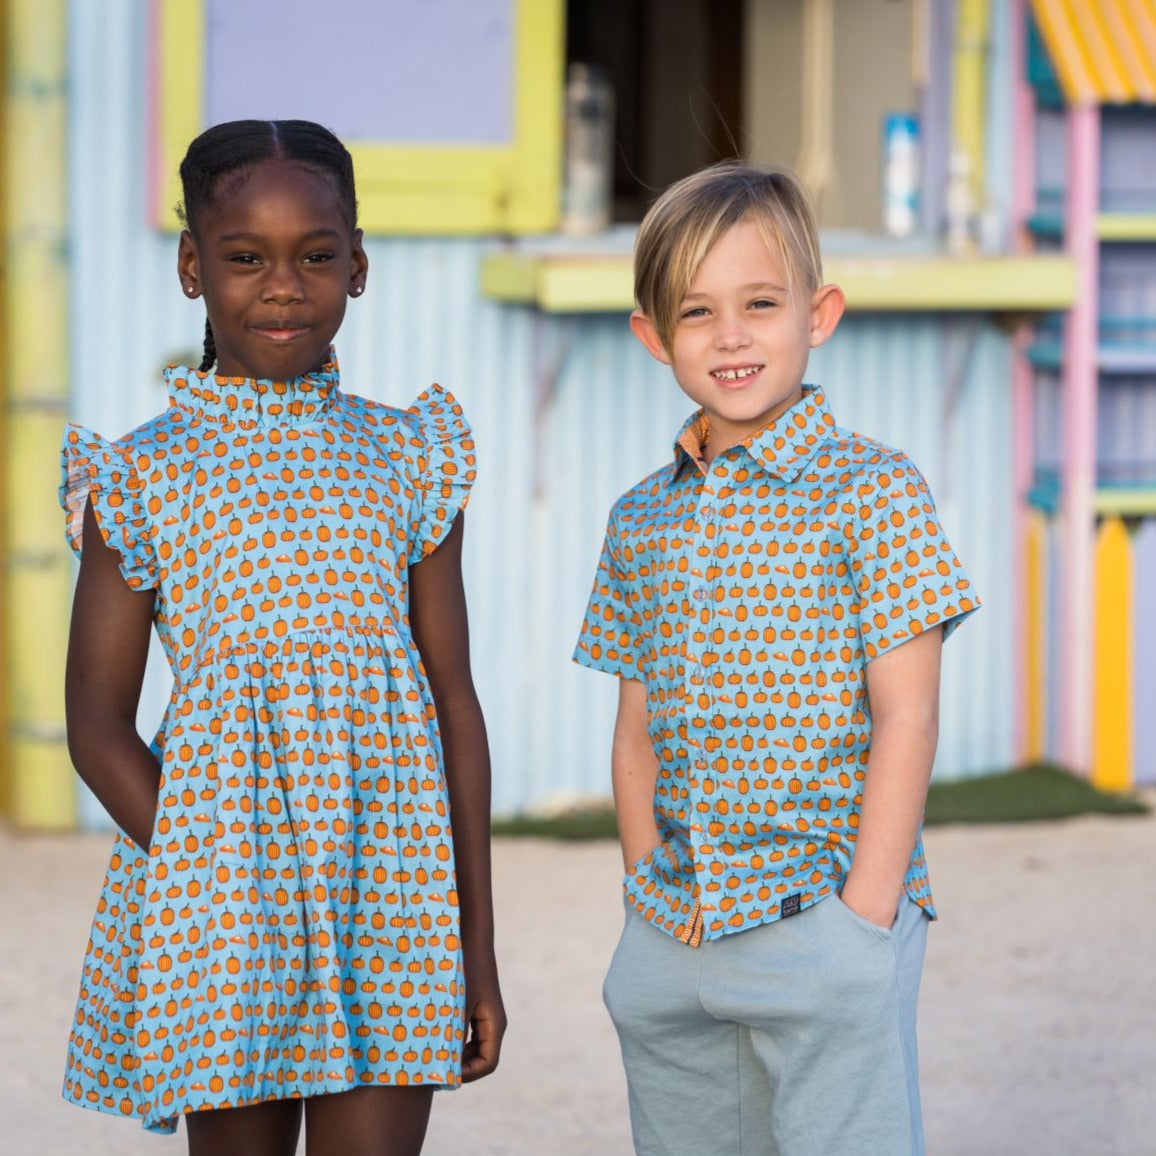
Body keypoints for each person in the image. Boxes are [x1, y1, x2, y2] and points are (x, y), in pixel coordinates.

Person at [60, 119, 504, 1156]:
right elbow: (95, 724)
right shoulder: (141, 476)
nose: (283, 287)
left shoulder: (411, 456)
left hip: (389, 894)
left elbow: (453, 701)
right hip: (224, 908)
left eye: (314, 255)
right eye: (244, 257)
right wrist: (213, 863)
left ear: (358, 264)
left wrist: (473, 943)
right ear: (192, 266)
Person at [573, 162, 979, 1156]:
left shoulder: (874, 491)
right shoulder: (639, 519)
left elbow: (909, 714)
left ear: (817, 313)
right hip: (676, 932)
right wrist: (644, 897)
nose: (731, 335)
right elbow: (635, 731)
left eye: (760, 303)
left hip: (823, 913)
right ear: (653, 335)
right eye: (697, 311)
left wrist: (863, 918)